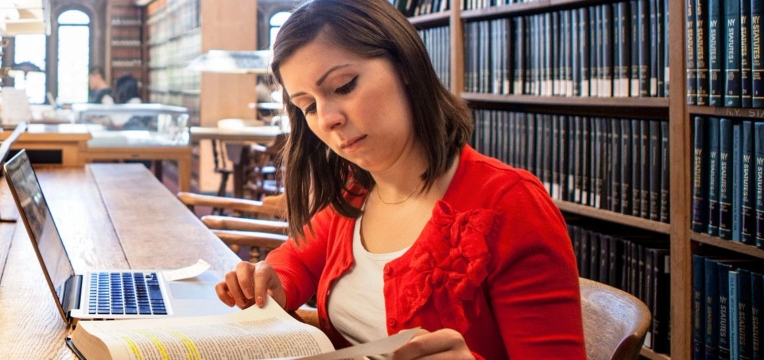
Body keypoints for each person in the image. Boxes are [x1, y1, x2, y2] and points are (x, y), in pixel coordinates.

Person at [213, 1, 586, 360]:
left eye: (344, 86)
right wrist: (273, 279)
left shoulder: (510, 204)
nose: (327, 119)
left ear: (406, 67)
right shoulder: (356, 190)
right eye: (308, 106)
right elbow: (300, 259)